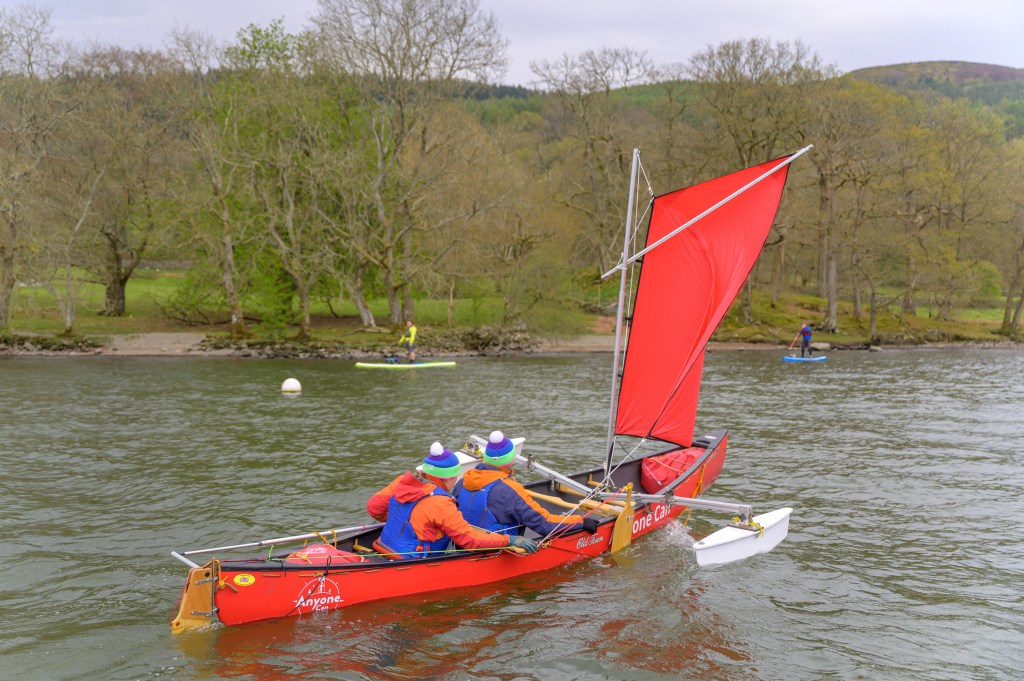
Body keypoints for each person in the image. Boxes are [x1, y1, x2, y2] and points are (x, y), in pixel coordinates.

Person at [366, 442, 538, 560]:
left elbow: (373, 508)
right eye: (455, 477)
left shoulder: (401, 481)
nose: (455, 481)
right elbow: (470, 541)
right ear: (447, 478)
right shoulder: (440, 503)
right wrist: (510, 540)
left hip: (382, 546)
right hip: (409, 560)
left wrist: (407, 521)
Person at [454, 431, 600, 538]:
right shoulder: (510, 490)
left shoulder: (462, 482)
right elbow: (545, 525)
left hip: (467, 543)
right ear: (511, 460)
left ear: (486, 458)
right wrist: (581, 521)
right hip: (498, 550)